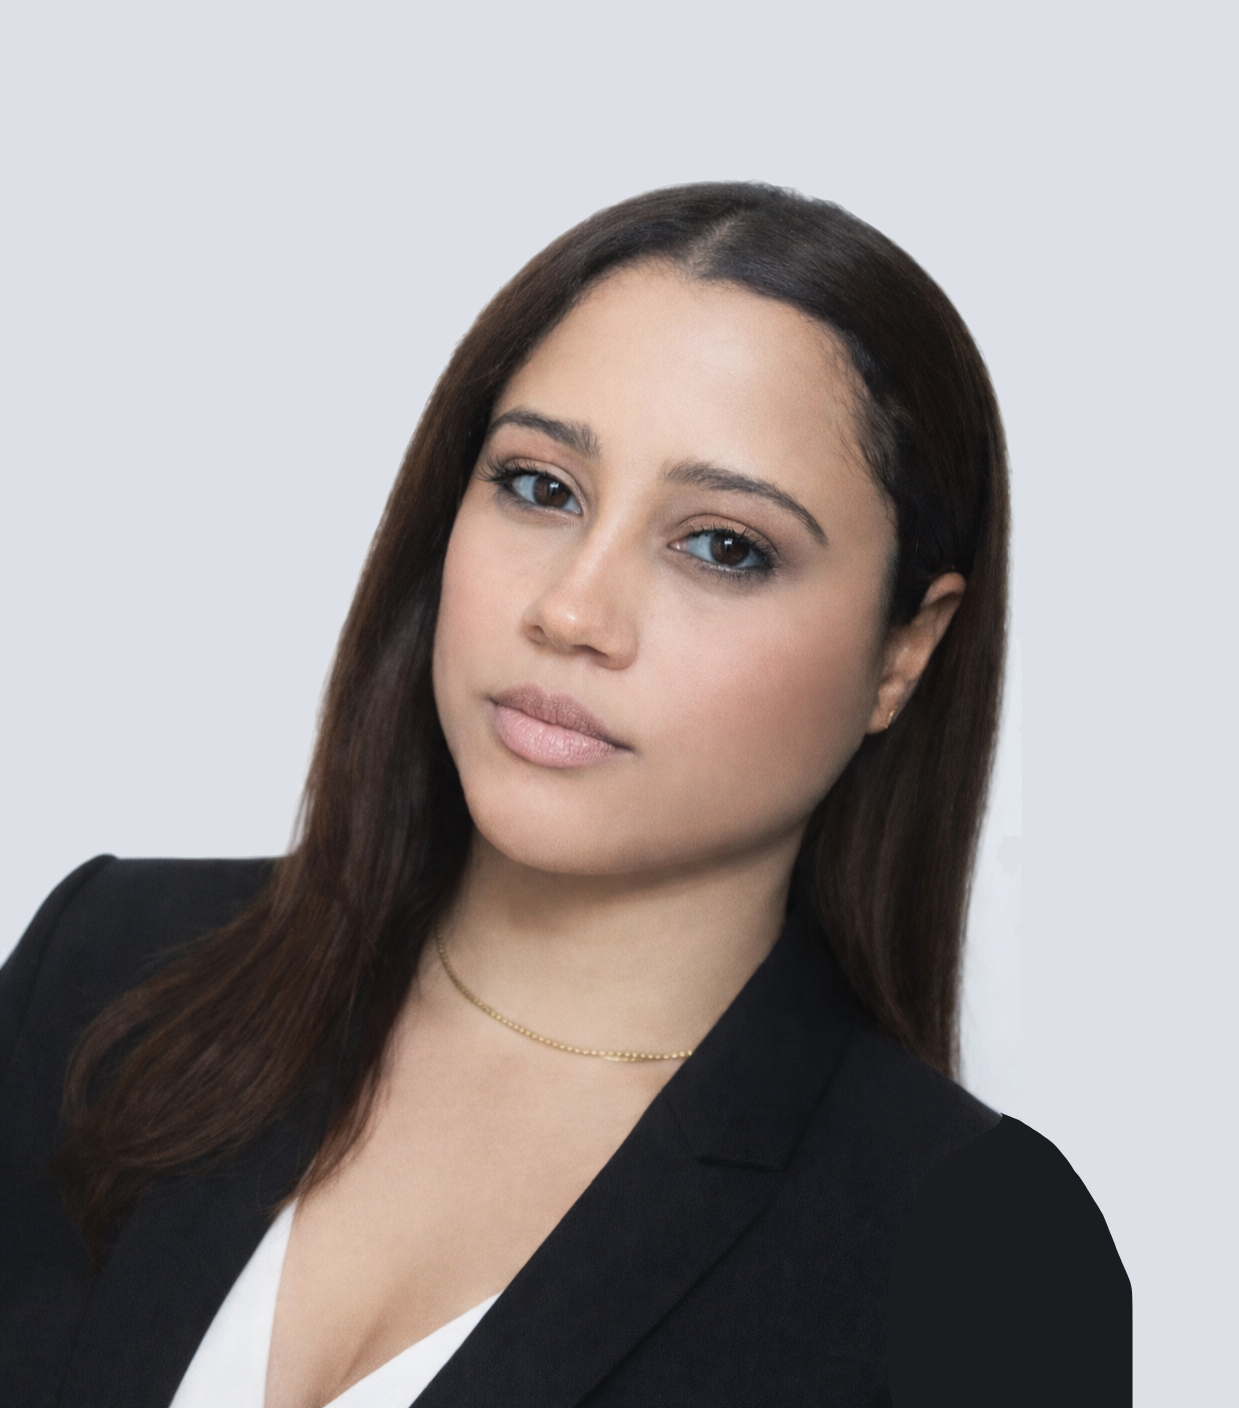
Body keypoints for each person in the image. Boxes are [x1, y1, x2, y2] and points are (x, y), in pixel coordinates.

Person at [0, 182, 1129, 1407]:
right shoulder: (107, 971)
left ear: (906, 651)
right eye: (541, 486)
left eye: (725, 545)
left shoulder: (974, 1243)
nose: (573, 610)